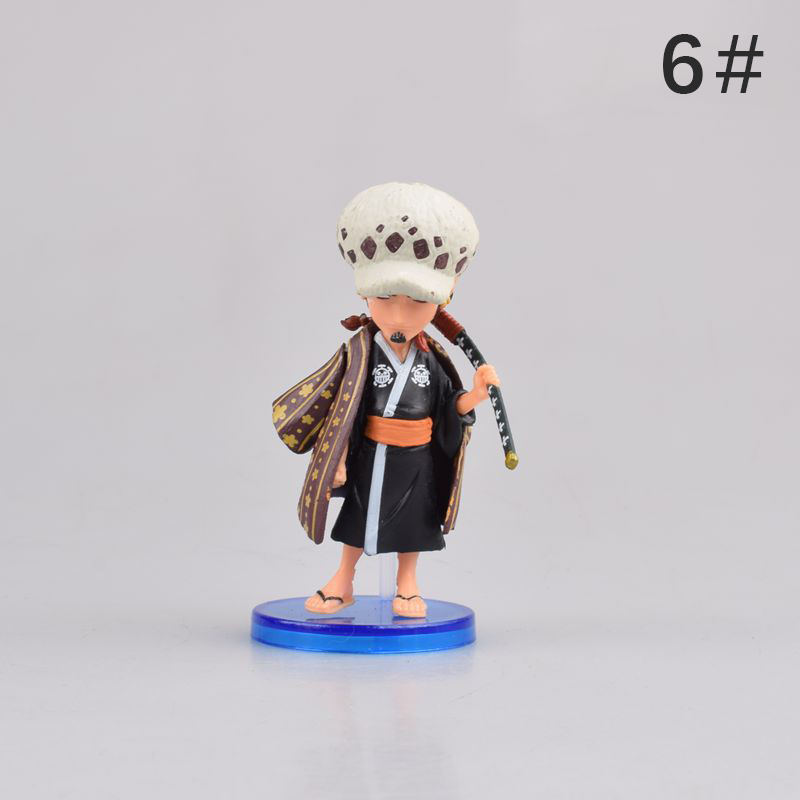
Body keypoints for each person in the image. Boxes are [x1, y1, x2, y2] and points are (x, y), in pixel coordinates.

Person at [272, 182, 499, 618]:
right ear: (364, 294)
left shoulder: (432, 359)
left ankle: (407, 584)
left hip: (417, 458)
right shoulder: (359, 353)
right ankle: (343, 579)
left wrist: (473, 395)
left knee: (415, 523)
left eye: (416, 302)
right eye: (384, 299)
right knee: (359, 518)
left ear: (443, 300)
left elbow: (447, 406)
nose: (399, 316)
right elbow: (340, 409)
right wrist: (337, 455)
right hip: (371, 452)